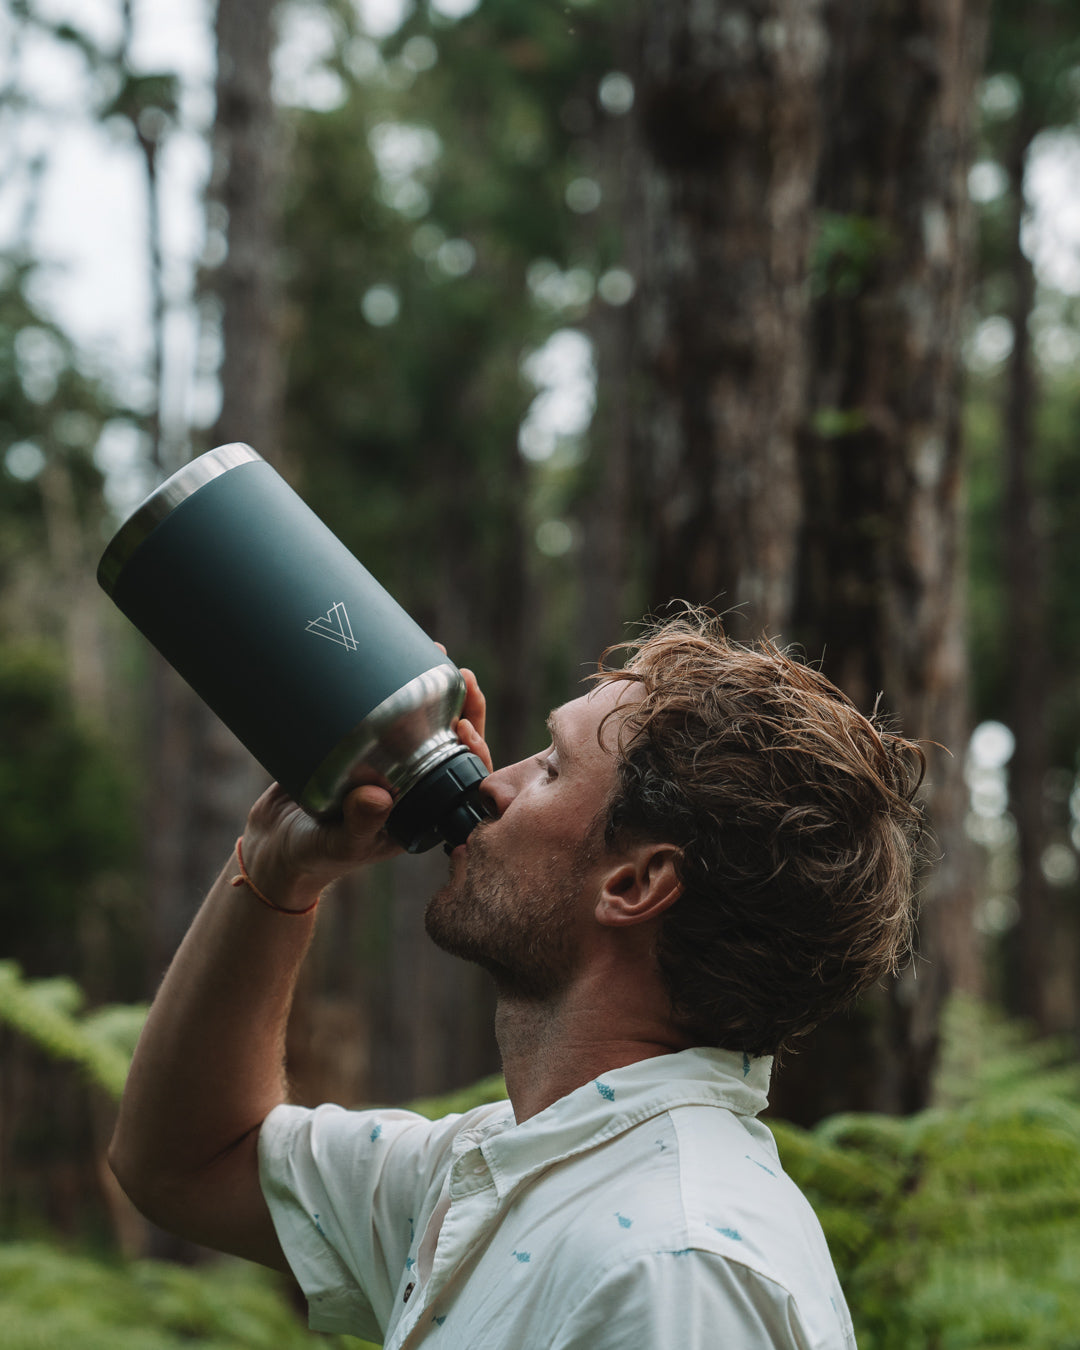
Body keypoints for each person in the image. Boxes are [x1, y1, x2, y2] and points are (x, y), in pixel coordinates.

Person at [109, 609, 925, 1349]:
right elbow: (184, 1161)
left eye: (550, 770)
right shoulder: (491, 1171)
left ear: (635, 885)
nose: (490, 782)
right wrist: (277, 871)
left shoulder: (676, 1270)